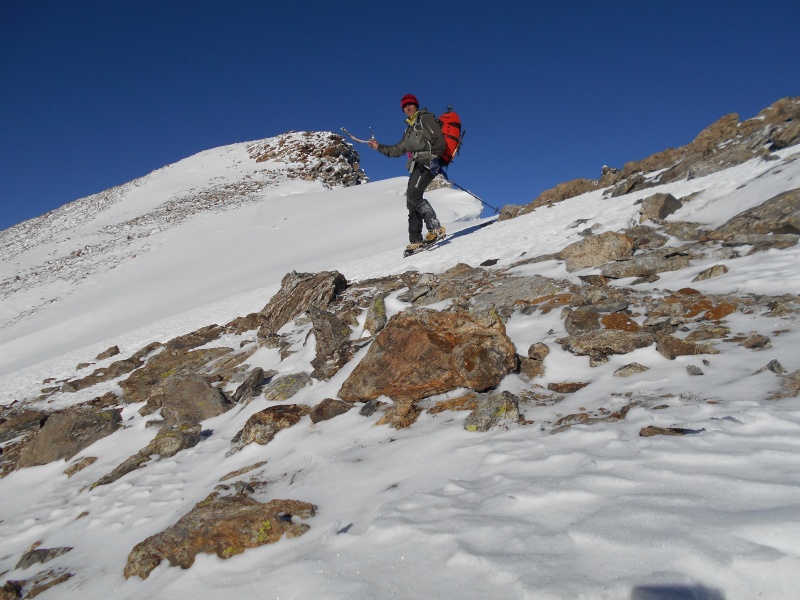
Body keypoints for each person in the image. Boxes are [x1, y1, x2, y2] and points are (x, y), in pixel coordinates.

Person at [368, 93, 446, 253]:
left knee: (414, 195)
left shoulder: (425, 119)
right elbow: (398, 149)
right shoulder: (410, 129)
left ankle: (435, 228)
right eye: (405, 106)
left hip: (427, 163)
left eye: (411, 104)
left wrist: (434, 158)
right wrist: (378, 147)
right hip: (416, 165)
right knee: (411, 202)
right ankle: (416, 241)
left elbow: (439, 140)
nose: (408, 107)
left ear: (416, 105)